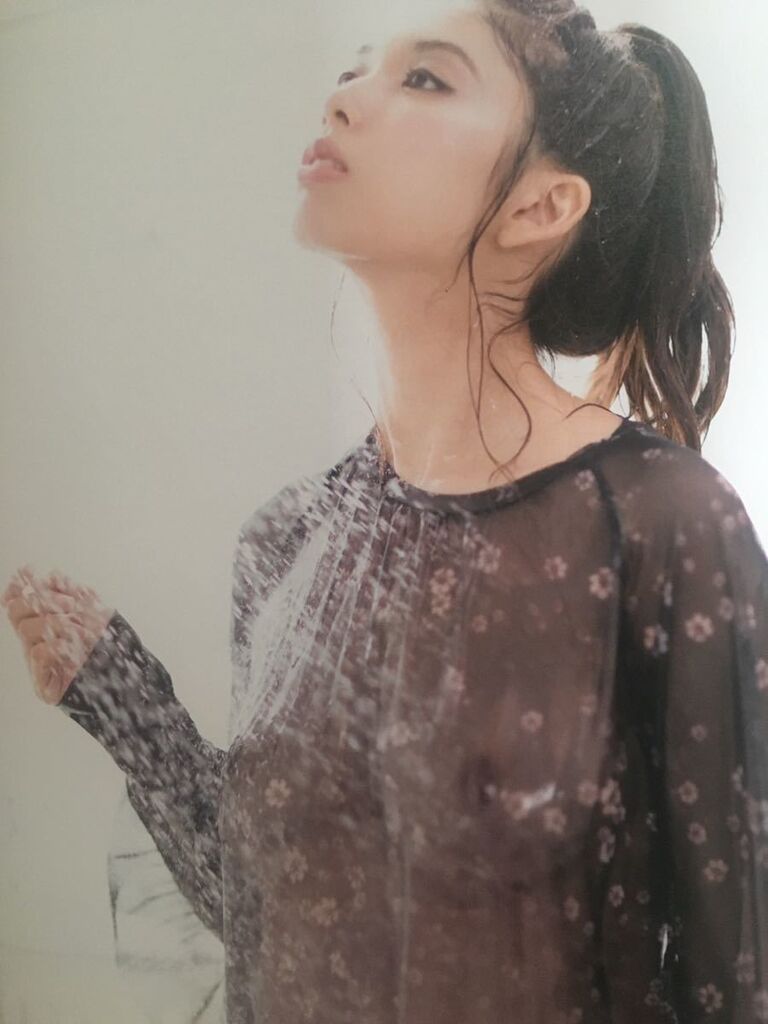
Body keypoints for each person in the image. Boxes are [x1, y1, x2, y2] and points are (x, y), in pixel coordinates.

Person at [4, 1, 768, 1021]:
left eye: (425, 78)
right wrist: (122, 699)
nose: (345, 97)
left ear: (540, 205)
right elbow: (272, 918)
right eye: (361, 66)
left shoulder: (663, 526)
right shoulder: (286, 542)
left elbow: (741, 973)